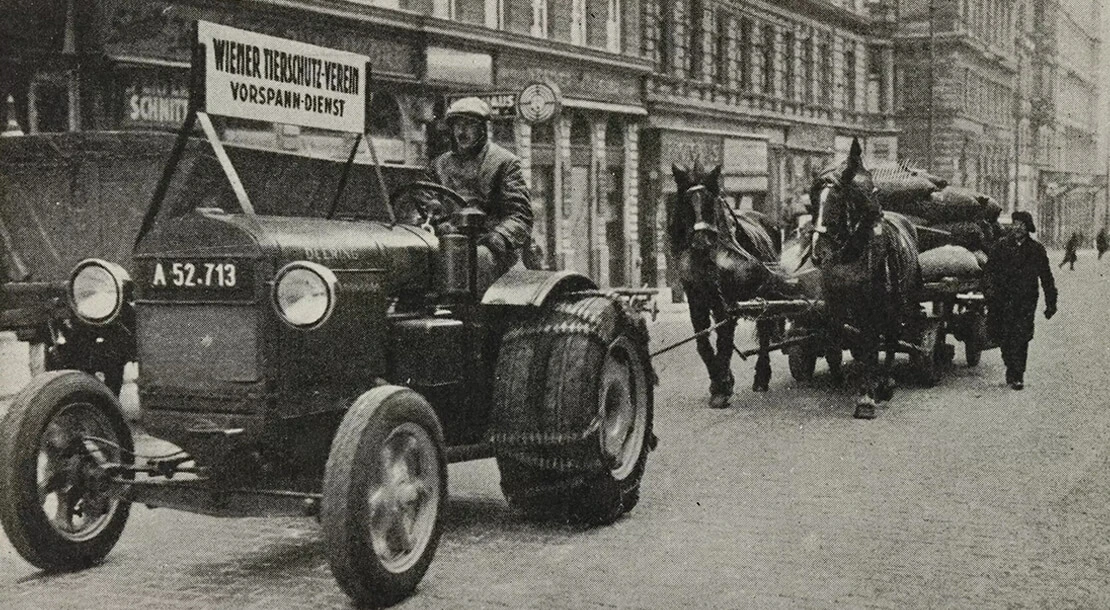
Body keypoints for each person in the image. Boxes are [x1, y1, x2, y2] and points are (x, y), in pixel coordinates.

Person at [426, 97, 533, 293]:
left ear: (482, 129)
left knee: (477, 258)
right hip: (447, 239)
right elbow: (428, 205)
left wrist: (499, 236)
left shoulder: (504, 162)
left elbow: (520, 216)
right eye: (457, 125)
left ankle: (478, 318)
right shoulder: (439, 165)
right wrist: (438, 223)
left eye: (468, 125)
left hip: (488, 244)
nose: (461, 132)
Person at [984, 211, 1057, 390]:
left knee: (1021, 337)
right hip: (1002, 300)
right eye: (1015, 223)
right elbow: (989, 272)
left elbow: (1046, 277)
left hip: (1025, 300)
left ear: (1028, 228)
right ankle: (1010, 366)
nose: (1018, 227)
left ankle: (1018, 375)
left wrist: (1051, 303)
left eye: (1022, 225)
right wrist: (989, 292)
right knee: (1004, 337)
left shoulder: (1036, 250)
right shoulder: (1000, 247)